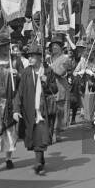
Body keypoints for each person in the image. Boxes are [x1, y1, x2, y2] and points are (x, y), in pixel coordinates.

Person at [13, 42, 58, 175]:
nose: (30, 59)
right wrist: (16, 109)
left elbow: (54, 89)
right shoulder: (27, 72)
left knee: (41, 134)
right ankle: (40, 159)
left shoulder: (48, 71)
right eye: (29, 56)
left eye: (33, 56)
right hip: (29, 108)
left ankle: (38, 162)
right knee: (34, 136)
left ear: (39, 57)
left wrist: (45, 82)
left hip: (44, 109)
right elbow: (20, 92)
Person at [0, 30, 21, 170]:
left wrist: (17, 74)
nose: (6, 48)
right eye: (3, 46)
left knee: (10, 130)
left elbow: (23, 81)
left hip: (10, 99)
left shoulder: (15, 61)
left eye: (7, 45)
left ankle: (8, 158)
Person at [49, 33, 72, 142]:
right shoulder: (48, 59)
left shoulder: (66, 59)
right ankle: (51, 131)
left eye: (56, 45)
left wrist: (49, 68)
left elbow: (61, 72)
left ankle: (55, 133)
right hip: (48, 89)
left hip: (60, 88)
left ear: (61, 47)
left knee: (58, 112)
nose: (54, 47)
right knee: (49, 111)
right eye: (52, 45)